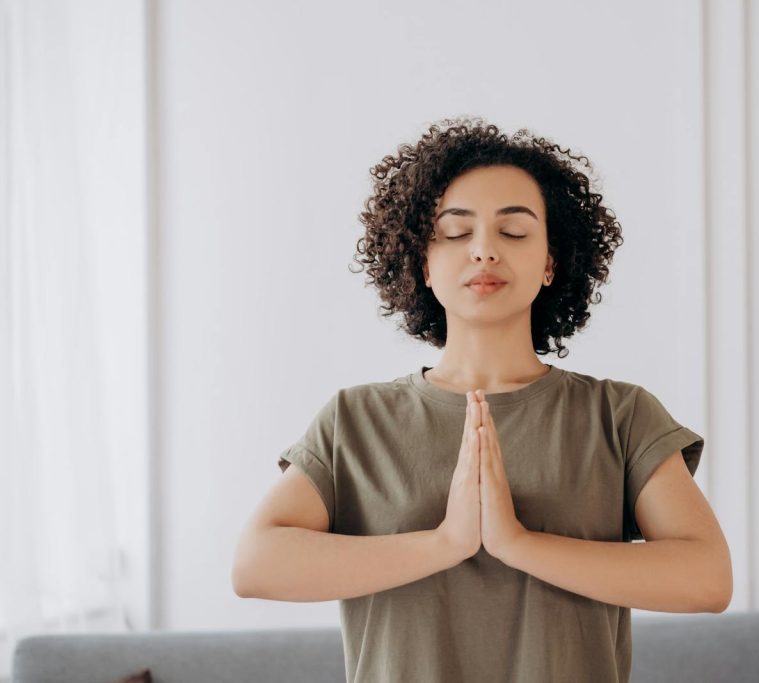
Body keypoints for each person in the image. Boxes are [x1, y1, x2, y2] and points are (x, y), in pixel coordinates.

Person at [232, 116, 731, 682]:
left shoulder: (619, 416)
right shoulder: (356, 420)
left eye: (514, 232)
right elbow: (255, 566)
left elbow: (707, 578)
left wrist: (517, 543)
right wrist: (446, 543)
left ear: (550, 263)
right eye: (456, 231)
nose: (485, 251)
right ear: (423, 261)